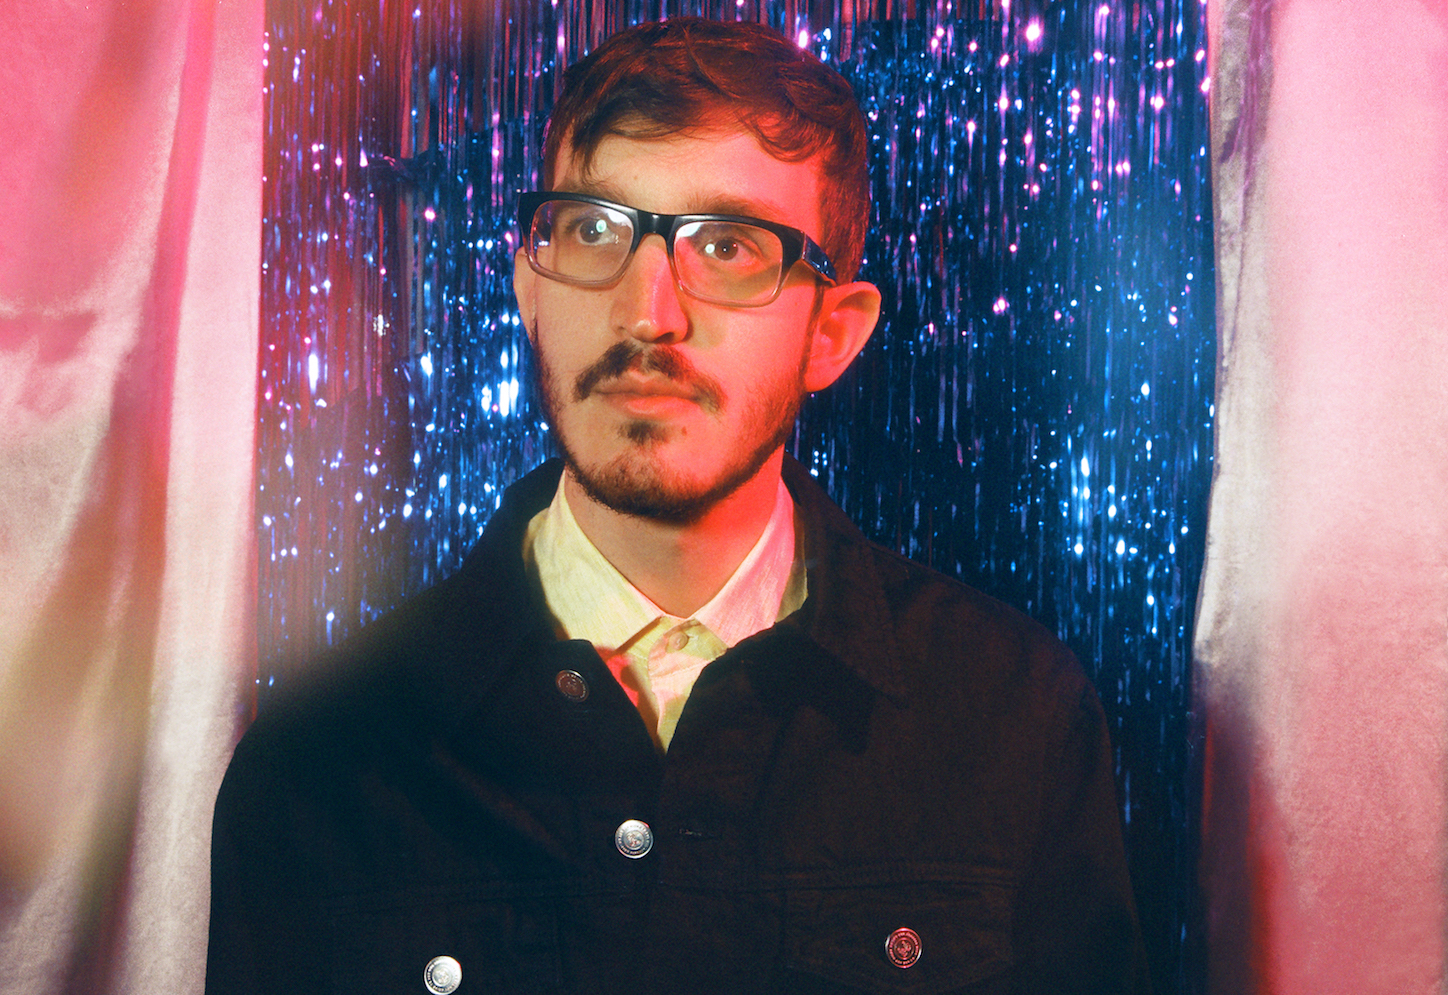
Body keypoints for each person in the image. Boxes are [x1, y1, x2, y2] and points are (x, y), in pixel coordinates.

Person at [206, 17, 1148, 995]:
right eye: (593, 231)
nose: (647, 312)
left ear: (831, 333)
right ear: (530, 288)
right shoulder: (323, 755)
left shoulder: (1013, 719)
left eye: (729, 245)